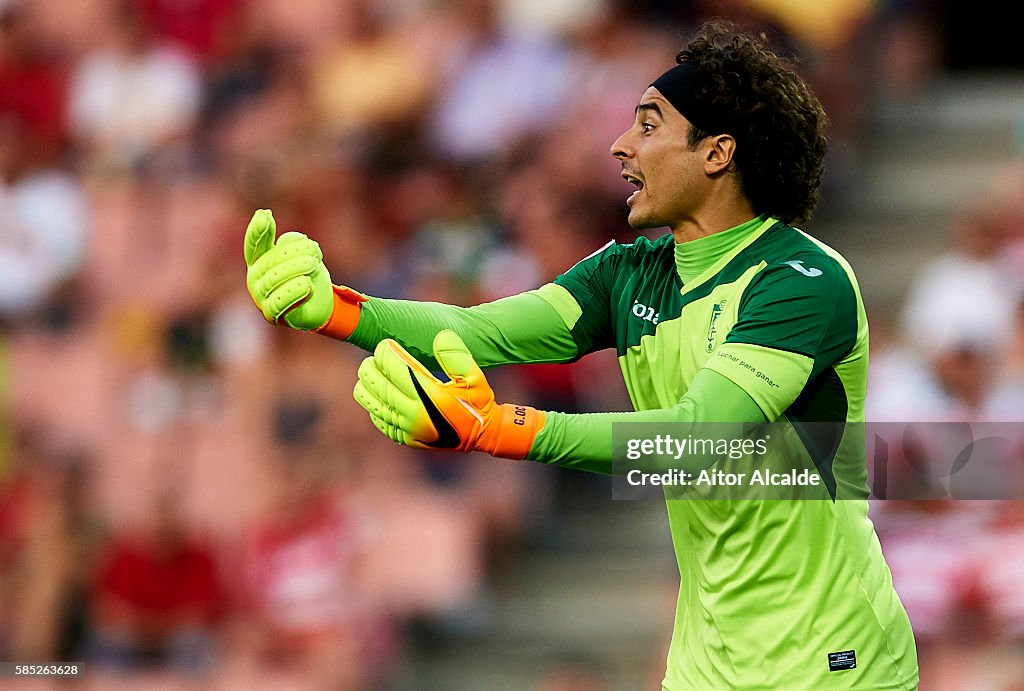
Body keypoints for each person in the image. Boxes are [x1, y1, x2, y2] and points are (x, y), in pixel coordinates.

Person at [243, 21, 919, 690]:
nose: (621, 146)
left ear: (716, 153)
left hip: (834, 661)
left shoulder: (800, 281)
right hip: (708, 664)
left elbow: (696, 435)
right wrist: (330, 308)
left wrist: (500, 428)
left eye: (649, 126)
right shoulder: (624, 275)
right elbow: (477, 331)